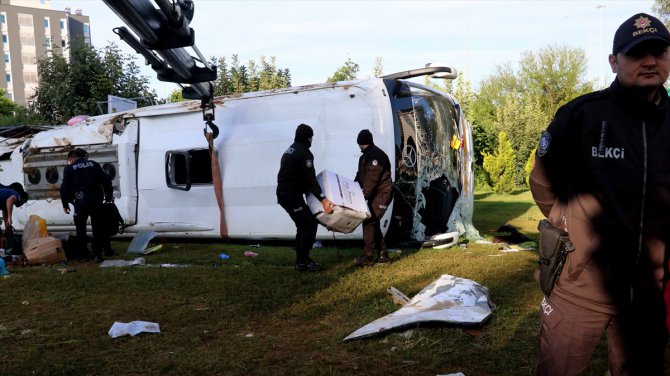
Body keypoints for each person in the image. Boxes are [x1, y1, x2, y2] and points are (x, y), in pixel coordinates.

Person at [530, 13, 670, 375]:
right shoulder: (582, 116)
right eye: (638, 53)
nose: (650, 61)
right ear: (614, 61)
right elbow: (543, 182)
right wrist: (568, 224)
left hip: (647, 295)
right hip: (580, 290)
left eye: (659, 51)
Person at [276, 123, 334, 272]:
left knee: (303, 224)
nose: (312, 140)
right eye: (311, 137)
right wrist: (323, 200)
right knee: (308, 224)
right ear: (308, 137)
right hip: (290, 195)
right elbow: (310, 180)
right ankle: (302, 262)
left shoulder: (290, 149)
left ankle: (302, 260)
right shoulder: (305, 153)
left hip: (286, 194)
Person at [60, 148, 113, 262]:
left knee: (80, 229)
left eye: (69, 160)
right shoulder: (94, 164)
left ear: (72, 158)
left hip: (80, 201)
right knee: (97, 228)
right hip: (96, 200)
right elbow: (106, 180)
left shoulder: (69, 168)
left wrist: (65, 203)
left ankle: (83, 255)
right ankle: (97, 255)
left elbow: (64, 188)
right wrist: (108, 195)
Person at [354, 129, 393, 267]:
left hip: (383, 193)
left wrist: (363, 194)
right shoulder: (366, 156)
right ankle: (383, 254)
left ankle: (368, 256)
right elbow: (360, 177)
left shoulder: (375, 156)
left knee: (369, 221)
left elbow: (372, 178)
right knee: (373, 221)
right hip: (377, 194)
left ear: (360, 143)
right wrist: (352, 190)